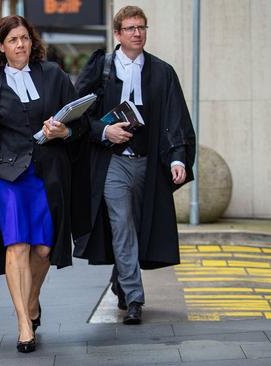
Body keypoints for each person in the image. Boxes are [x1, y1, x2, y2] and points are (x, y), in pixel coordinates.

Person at [0, 15, 87, 353]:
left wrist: (65, 131)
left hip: (48, 173)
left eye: (24, 38)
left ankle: (32, 303)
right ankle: (23, 324)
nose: (20, 44)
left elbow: (81, 122)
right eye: (13, 40)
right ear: (0, 47)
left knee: (44, 249)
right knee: (17, 245)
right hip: (7, 176)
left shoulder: (54, 75)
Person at [73, 6, 196, 325]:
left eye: (142, 27)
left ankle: (121, 279)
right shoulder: (102, 67)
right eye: (130, 28)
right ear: (117, 34)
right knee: (122, 224)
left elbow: (175, 117)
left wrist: (178, 157)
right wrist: (104, 130)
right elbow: (77, 111)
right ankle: (135, 297)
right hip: (112, 163)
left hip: (150, 164)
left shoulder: (162, 71)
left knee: (141, 226)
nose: (137, 33)